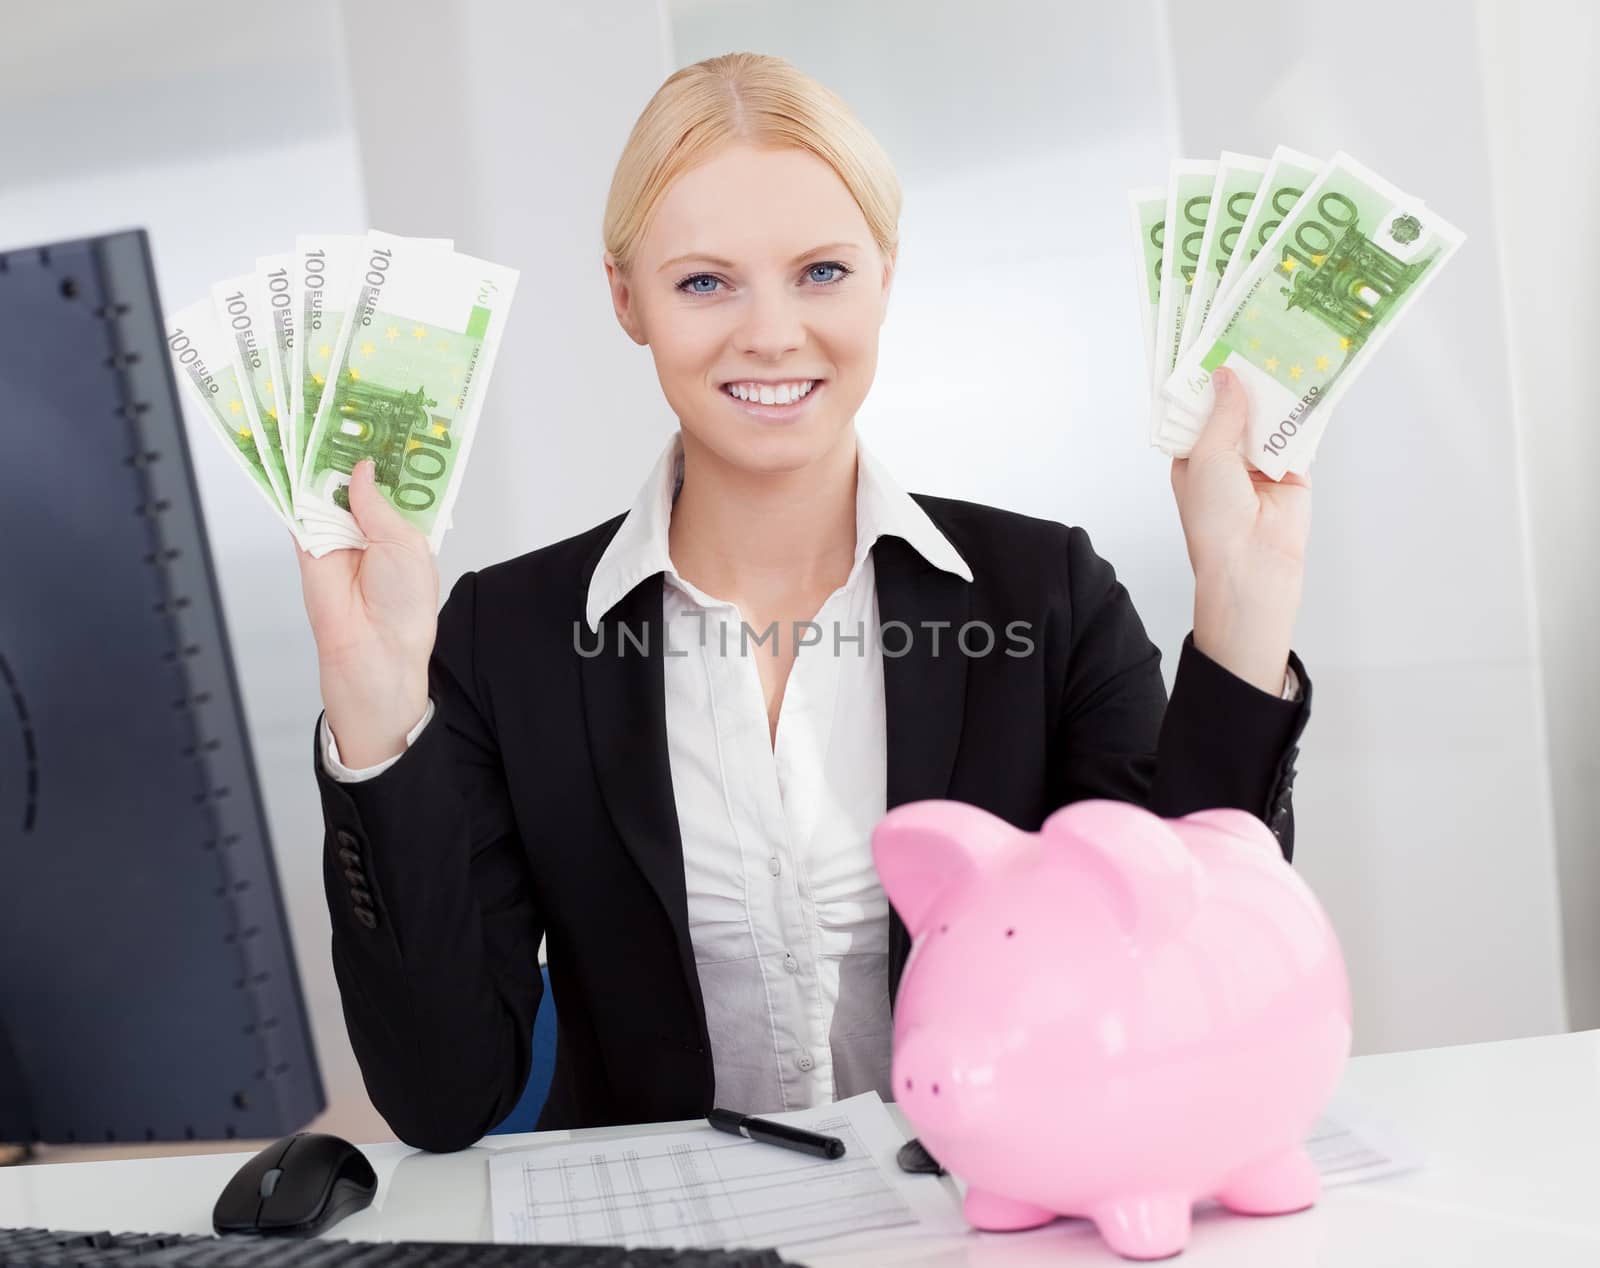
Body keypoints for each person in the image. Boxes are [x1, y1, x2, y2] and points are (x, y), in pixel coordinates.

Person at [294, 52, 1312, 1154]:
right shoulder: (507, 638)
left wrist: (1241, 614)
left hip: (981, 1218)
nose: (771, 332)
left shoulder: (1046, 594)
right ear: (625, 298)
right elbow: (449, 1096)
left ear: (886, 274)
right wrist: (373, 701)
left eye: (821, 271)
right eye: (703, 281)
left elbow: (1181, 974)